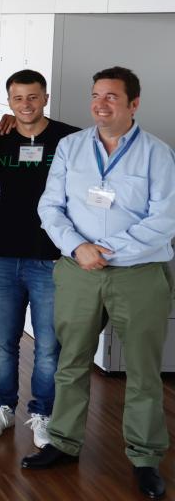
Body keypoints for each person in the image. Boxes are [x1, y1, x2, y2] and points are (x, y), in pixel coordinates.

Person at [23, 67, 175, 500]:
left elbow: (163, 221)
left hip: (139, 275)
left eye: (111, 96)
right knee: (70, 362)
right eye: (95, 96)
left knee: (144, 372)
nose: (100, 104)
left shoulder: (158, 155)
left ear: (134, 104)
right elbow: (50, 207)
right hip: (78, 271)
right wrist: (77, 247)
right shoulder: (71, 148)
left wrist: (105, 251)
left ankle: (145, 457)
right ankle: (64, 443)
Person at [0, 70, 79, 447]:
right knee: (4, 341)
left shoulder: (69, 138)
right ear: (9, 102)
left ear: (45, 98)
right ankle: (2, 407)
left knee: (49, 344)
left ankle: (42, 414)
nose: (26, 105)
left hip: (51, 259)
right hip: (3, 256)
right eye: (18, 99)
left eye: (33, 97)